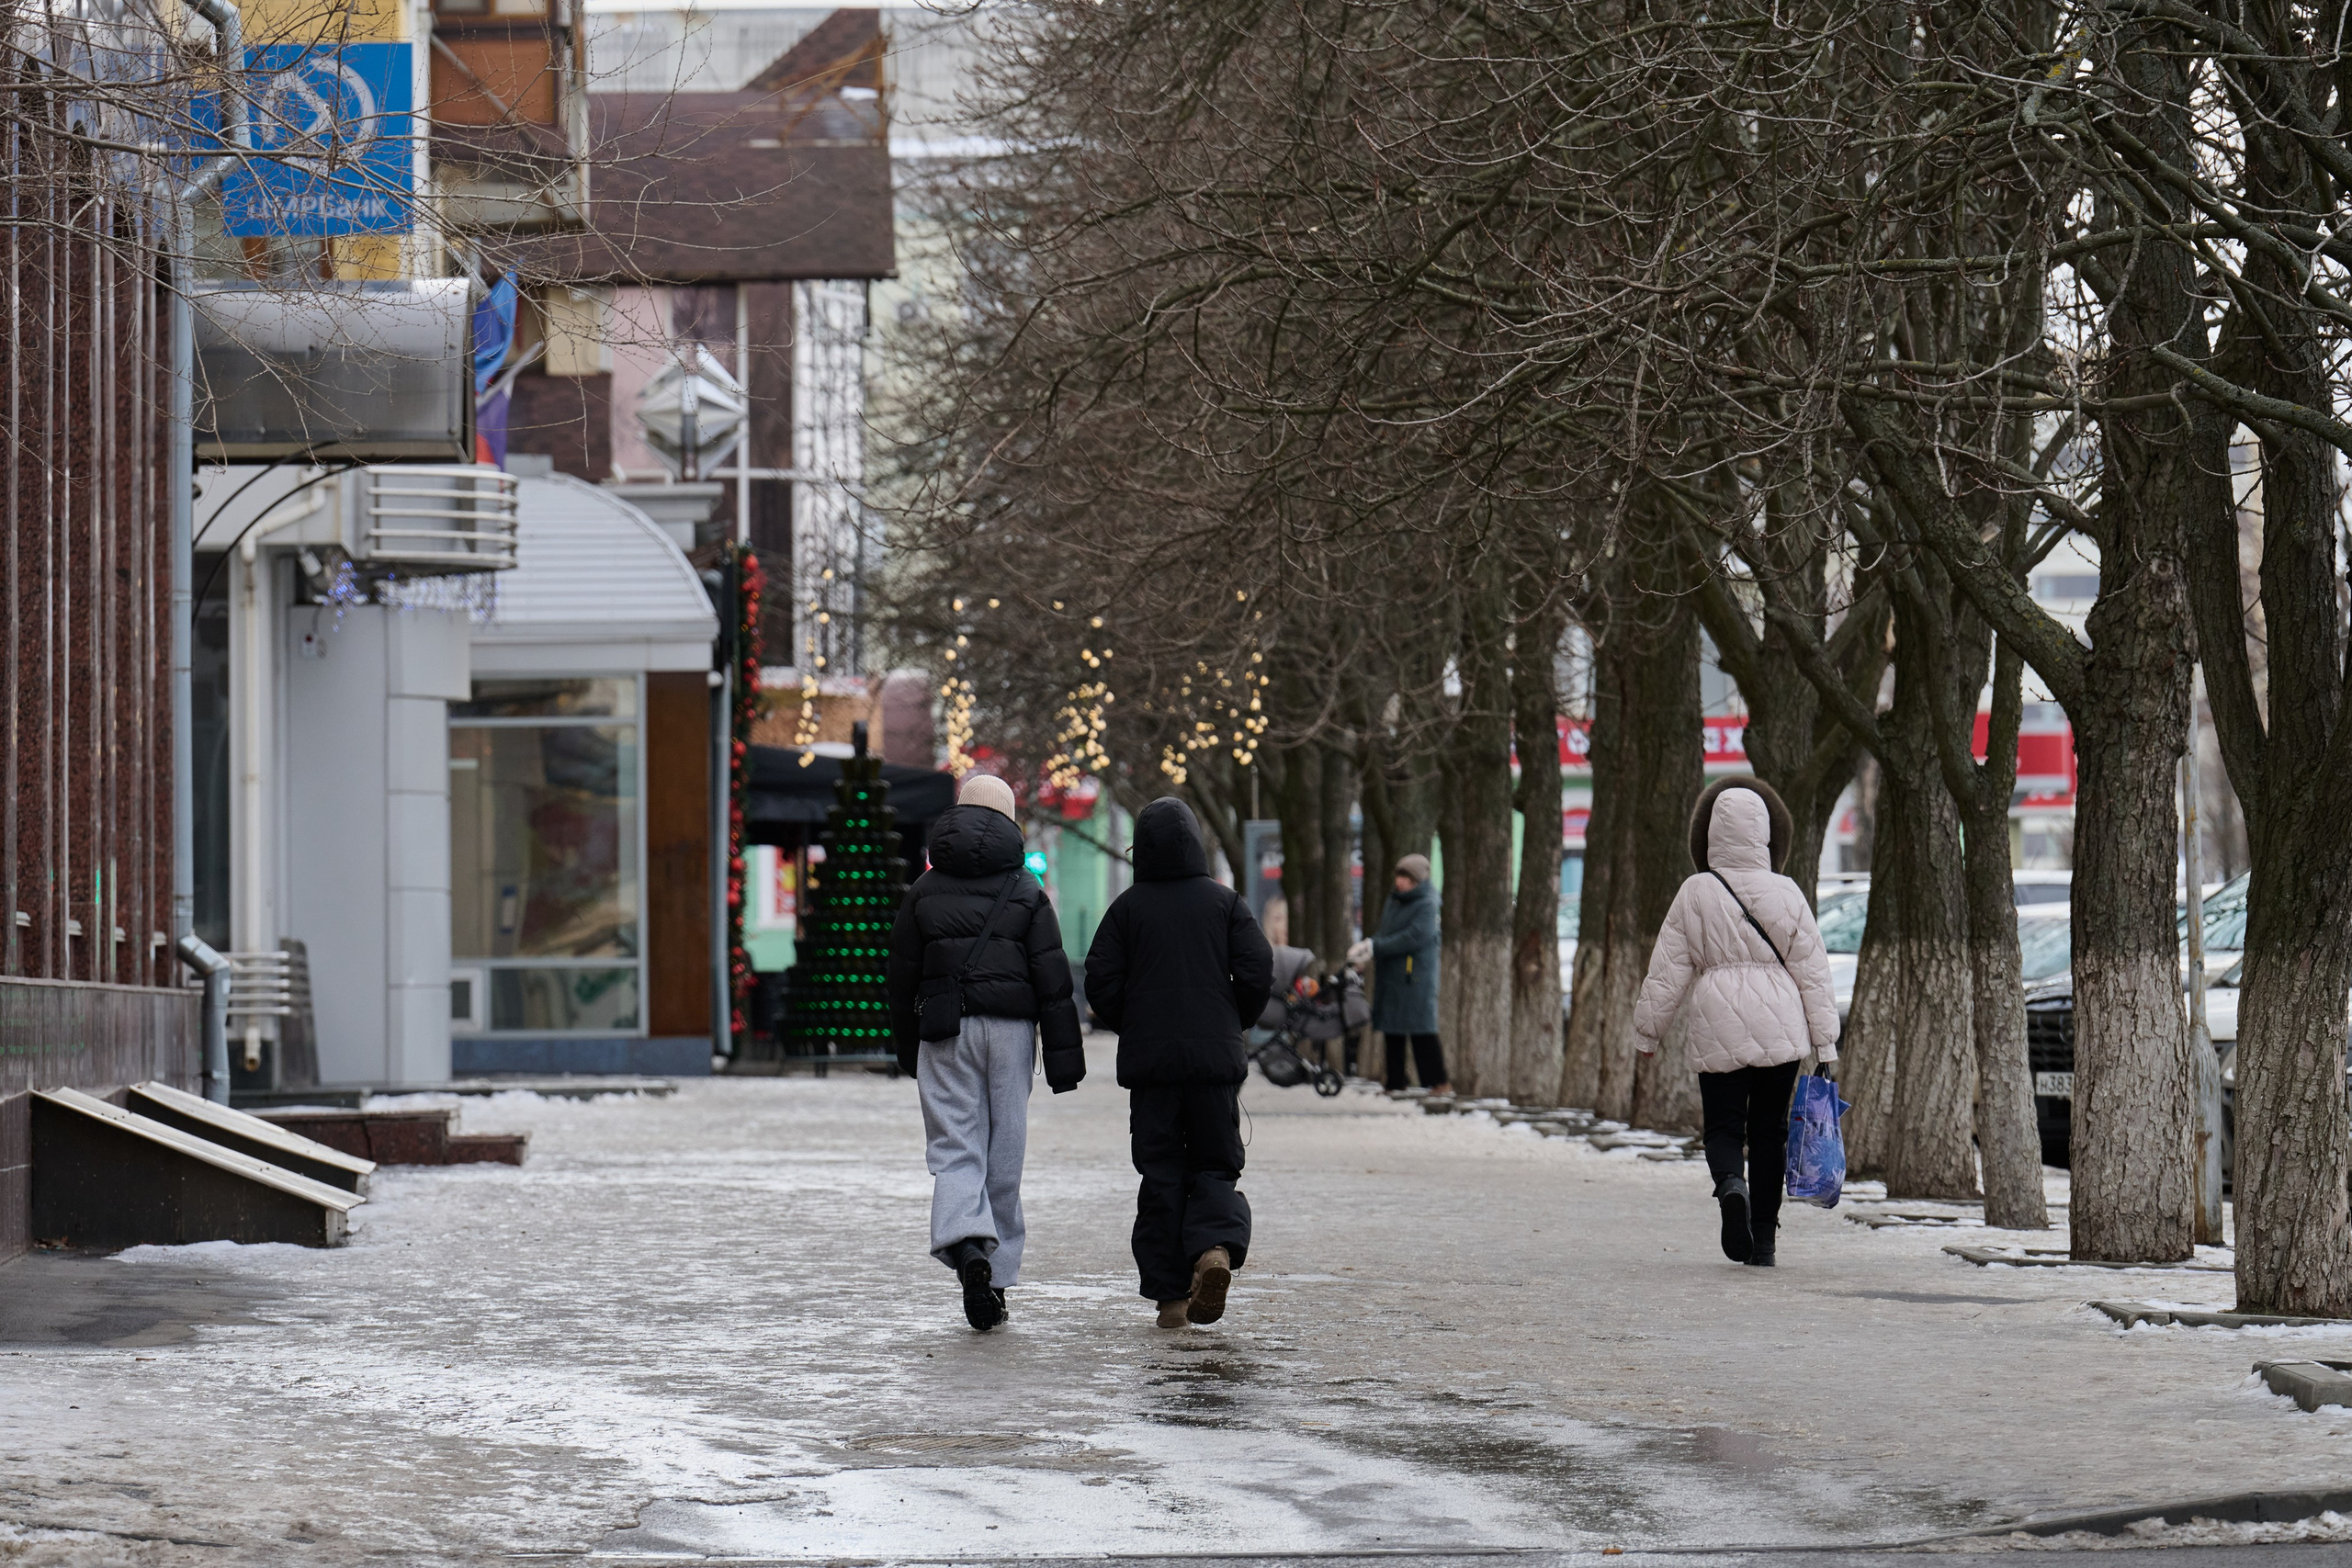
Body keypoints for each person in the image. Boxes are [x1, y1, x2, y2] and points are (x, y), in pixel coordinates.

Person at [888, 773, 1085, 1331]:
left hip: (946, 1029)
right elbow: (1052, 976)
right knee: (1006, 1150)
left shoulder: (924, 891)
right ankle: (995, 1279)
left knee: (956, 1147)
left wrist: (909, 1051)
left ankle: (967, 1247)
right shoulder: (1025, 888)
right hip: (1013, 1031)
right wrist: (1065, 1059)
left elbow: (900, 979)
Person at [1632, 777, 1838, 1268]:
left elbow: (1668, 970)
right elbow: (1814, 971)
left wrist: (1648, 1031)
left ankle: (1730, 1186)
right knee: (1770, 1132)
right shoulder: (1788, 893)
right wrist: (1826, 1044)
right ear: (1765, 836)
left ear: (1708, 836)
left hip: (1717, 1020)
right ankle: (1764, 1240)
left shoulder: (1695, 891)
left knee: (1724, 1128)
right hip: (1782, 1026)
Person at [1084, 797, 1273, 1329]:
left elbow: (1100, 980)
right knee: (1216, 1162)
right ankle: (1213, 1247)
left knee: (1161, 1171)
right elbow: (1258, 970)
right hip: (1214, 1061)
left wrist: (1137, 1023)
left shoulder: (1126, 909)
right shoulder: (1225, 903)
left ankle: (1170, 1295)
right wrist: (1231, 1021)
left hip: (1153, 1069)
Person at [1348, 854, 1448, 1094]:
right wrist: (1370, 948)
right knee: (1392, 1028)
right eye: (1399, 876)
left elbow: (1413, 936)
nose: (1400, 882)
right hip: (1392, 973)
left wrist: (1376, 947)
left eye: (1407, 878)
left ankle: (1438, 1081)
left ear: (1419, 880)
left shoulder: (1427, 903)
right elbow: (1387, 930)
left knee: (1421, 1029)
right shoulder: (1395, 900)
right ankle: (1395, 1081)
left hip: (1415, 976)